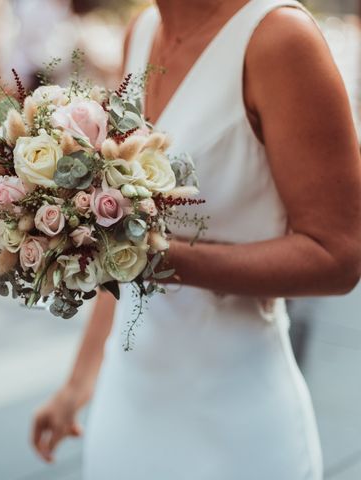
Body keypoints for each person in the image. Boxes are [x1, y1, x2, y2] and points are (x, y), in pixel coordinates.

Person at [31, 1, 361, 479]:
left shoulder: (278, 39)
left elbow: (339, 257)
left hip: (233, 420)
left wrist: (158, 259)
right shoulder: (142, 31)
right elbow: (117, 232)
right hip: (126, 406)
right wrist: (78, 383)